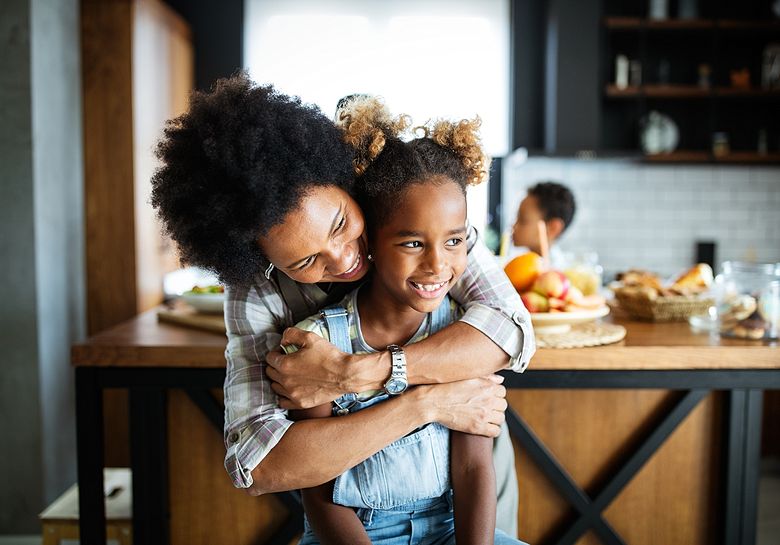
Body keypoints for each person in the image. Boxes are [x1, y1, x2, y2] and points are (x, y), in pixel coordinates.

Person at [150, 73, 534, 536]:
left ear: (347, 184)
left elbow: (510, 330)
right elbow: (262, 462)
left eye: (339, 224)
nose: (344, 257)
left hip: (465, 477)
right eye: (307, 259)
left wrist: (354, 374)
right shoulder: (258, 293)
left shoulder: (415, 220)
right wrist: (426, 404)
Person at [286, 97, 523, 544]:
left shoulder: (463, 337)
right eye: (413, 243)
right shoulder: (318, 344)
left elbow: (474, 466)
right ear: (369, 243)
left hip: (449, 530)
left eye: (454, 240)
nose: (437, 264)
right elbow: (319, 495)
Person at [511, 181, 576, 267]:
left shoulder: (555, 273)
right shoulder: (518, 264)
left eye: (523, 220)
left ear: (553, 228)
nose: (514, 226)